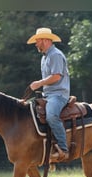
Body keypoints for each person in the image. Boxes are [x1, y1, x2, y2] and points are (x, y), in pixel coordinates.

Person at [27, 27, 70, 162]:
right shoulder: (44, 58)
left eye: (37, 40)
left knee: (51, 116)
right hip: (48, 95)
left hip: (58, 95)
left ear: (46, 40)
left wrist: (39, 83)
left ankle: (63, 150)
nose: (36, 44)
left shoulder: (55, 55)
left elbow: (56, 77)